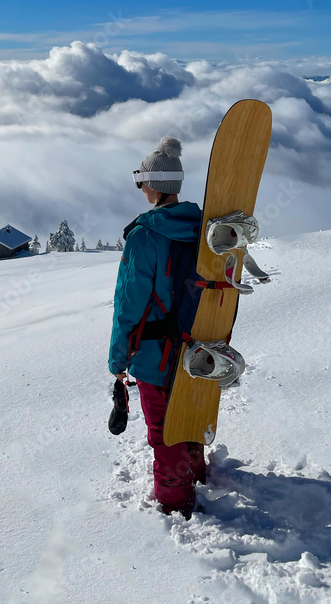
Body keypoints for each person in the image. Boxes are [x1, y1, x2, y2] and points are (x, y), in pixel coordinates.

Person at [107, 136, 205, 519]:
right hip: (200, 343)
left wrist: (118, 359)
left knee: (164, 429)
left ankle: (175, 502)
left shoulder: (145, 235)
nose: (139, 187)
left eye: (141, 180)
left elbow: (128, 303)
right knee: (192, 412)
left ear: (154, 184)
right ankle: (196, 470)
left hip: (155, 352)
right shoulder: (204, 226)